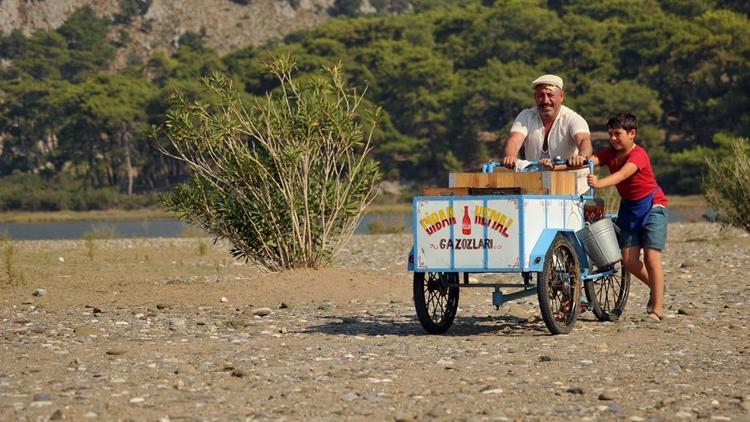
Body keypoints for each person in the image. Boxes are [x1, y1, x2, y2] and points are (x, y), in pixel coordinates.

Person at [586, 113, 669, 322]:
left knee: (651, 258)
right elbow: (591, 161)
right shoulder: (609, 153)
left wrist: (599, 183)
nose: (613, 139)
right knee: (629, 260)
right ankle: (656, 287)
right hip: (629, 209)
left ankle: (656, 310)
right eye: (610, 134)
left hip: (652, 207)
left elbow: (623, 174)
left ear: (632, 134)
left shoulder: (638, 155)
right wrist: (573, 162)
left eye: (618, 134)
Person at [503, 74, 592, 169]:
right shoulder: (526, 116)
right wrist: (511, 156)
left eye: (550, 95)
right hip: (535, 180)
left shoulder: (573, 118)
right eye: (541, 95)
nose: (545, 101)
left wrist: (581, 157)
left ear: (561, 96)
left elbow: (584, 140)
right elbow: (514, 141)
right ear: (535, 97)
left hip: (570, 180)